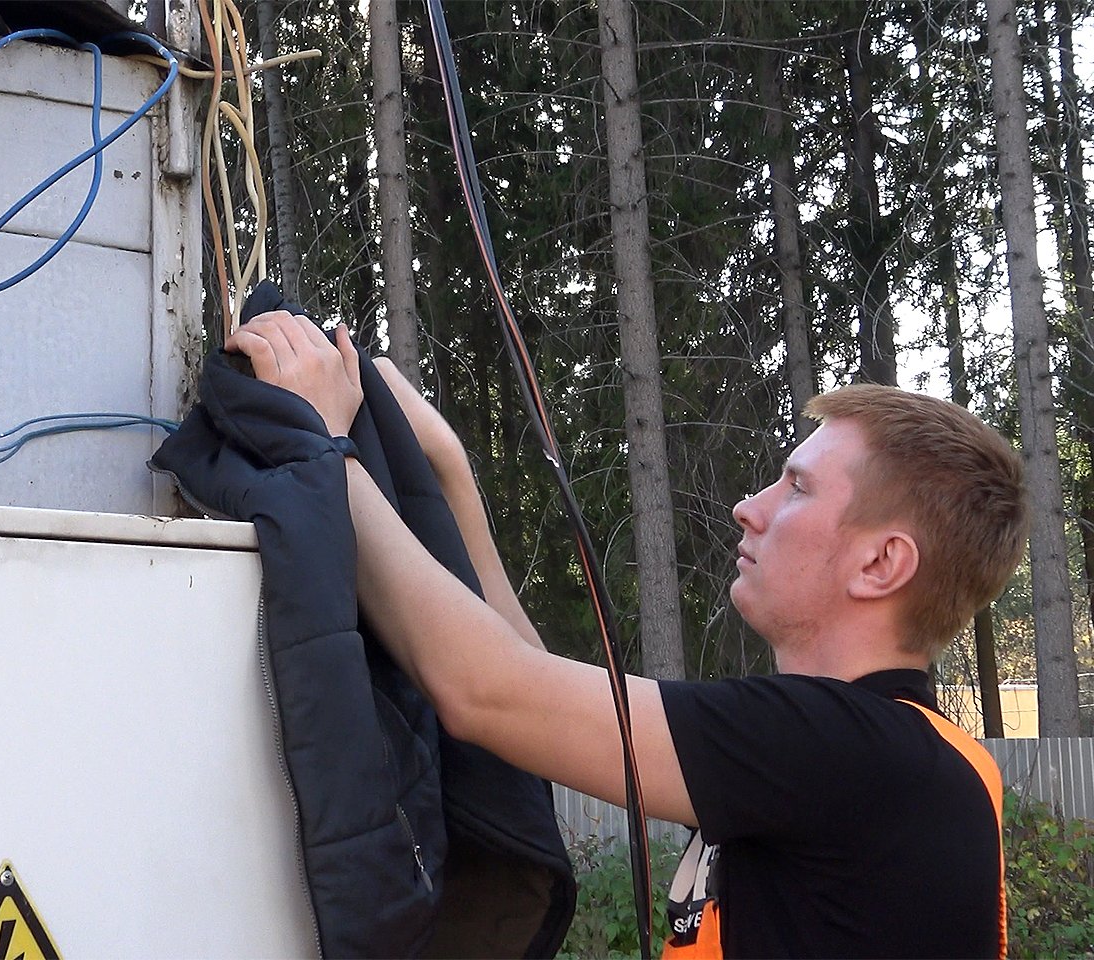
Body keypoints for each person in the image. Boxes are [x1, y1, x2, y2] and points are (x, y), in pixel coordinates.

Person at [226, 309, 1027, 960]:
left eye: (799, 487)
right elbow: (535, 690)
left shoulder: (855, 753)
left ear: (882, 563)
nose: (750, 506)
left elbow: (487, 691)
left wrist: (324, 448)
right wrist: (450, 476)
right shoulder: (888, 759)